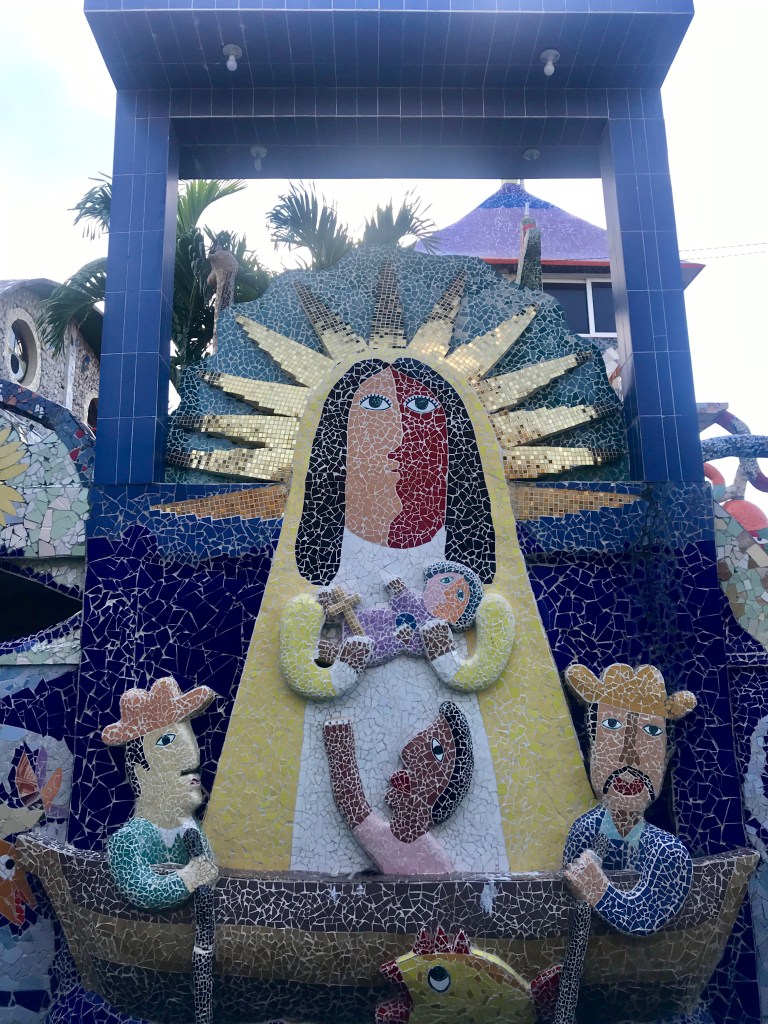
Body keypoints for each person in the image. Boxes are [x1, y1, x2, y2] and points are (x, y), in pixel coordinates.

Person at [562, 662, 697, 935]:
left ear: (665, 758)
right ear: (593, 749)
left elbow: (646, 916)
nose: (630, 755)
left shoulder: (668, 852)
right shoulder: (584, 832)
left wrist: (598, 890)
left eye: (651, 731)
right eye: (612, 725)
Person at [101, 676, 219, 911]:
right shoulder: (128, 840)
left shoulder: (190, 831)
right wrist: (188, 878)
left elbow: (209, 870)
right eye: (166, 740)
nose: (192, 758)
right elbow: (140, 890)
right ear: (140, 771)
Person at [323, 701, 474, 874]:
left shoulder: (432, 861)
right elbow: (352, 805)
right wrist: (340, 749)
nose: (407, 752)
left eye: (437, 749)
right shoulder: (391, 838)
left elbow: (353, 807)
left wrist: (340, 749)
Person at [315, 560, 485, 681]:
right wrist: (399, 589)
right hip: (380, 619)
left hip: (388, 642)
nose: (447, 591)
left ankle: (330, 652)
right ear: (431, 579)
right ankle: (329, 613)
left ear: (458, 617)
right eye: (446, 580)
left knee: (366, 648)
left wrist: (403, 638)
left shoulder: (437, 631)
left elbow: (420, 646)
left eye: (459, 595)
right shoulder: (416, 601)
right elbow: (403, 603)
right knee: (358, 616)